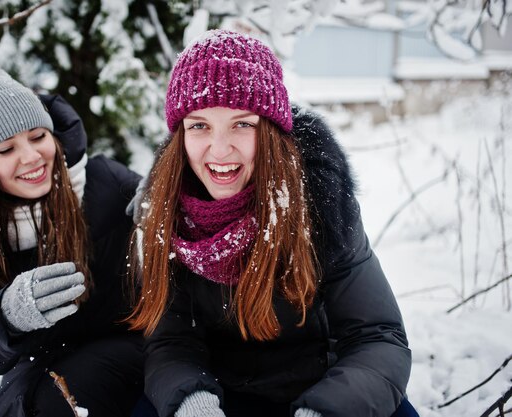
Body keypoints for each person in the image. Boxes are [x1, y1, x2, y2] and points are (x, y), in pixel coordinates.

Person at [127, 30, 419, 417]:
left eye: (241, 124)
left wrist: (327, 409)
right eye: (199, 126)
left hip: (319, 385)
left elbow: (377, 336)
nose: (219, 148)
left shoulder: (321, 203)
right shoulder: (167, 210)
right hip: (218, 392)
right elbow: (171, 339)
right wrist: (191, 400)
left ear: (269, 131)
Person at [0, 63, 144, 417]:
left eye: (38, 136)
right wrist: (6, 316)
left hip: (130, 352)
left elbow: (177, 209)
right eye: (6, 150)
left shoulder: (100, 181)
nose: (32, 157)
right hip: (41, 376)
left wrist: (163, 196)